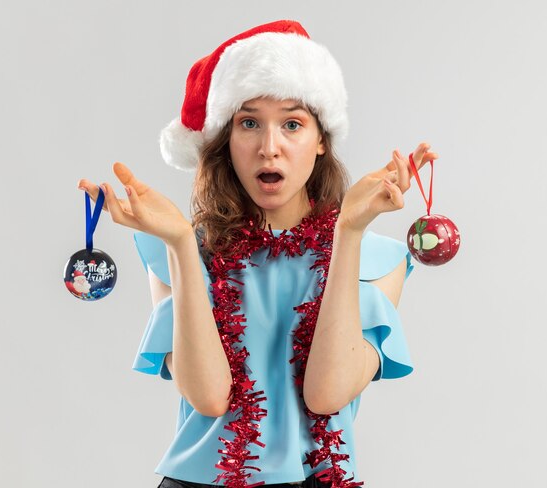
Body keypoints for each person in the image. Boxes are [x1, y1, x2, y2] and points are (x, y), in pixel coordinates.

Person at [78, 19, 437, 488]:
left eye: (292, 124)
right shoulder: (182, 250)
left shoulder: (377, 259)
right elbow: (208, 397)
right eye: (249, 123)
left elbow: (326, 395)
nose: (270, 148)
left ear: (321, 138)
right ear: (227, 140)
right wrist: (183, 244)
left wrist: (349, 231)